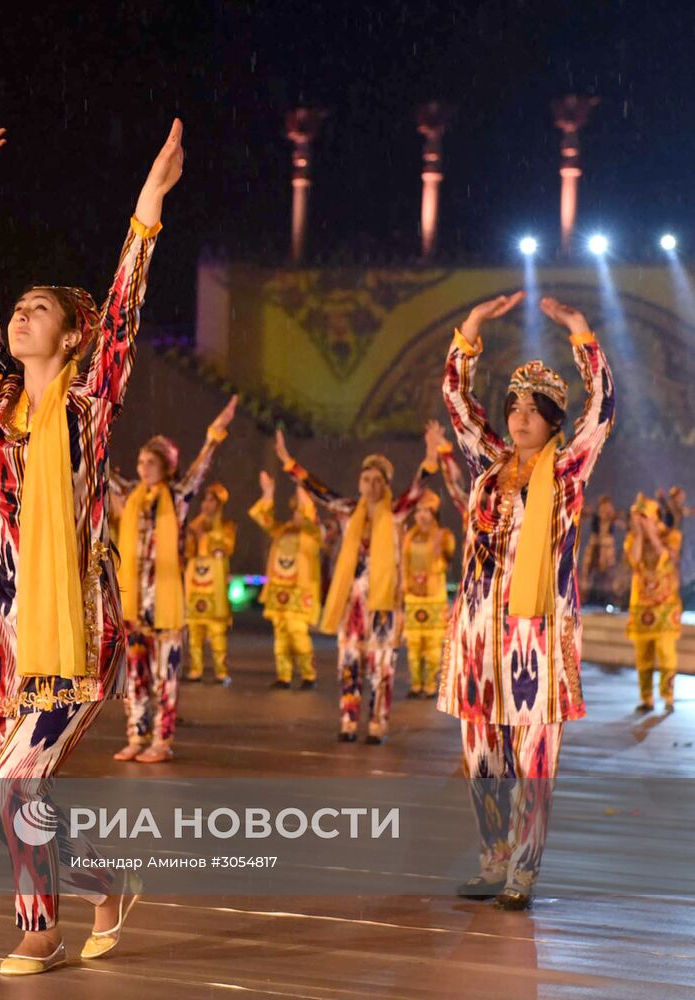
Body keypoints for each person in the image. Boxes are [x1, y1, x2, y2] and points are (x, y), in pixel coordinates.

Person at [0, 116, 182, 974]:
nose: (18, 317)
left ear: (72, 336)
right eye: (19, 308)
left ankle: (38, 928)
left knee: (18, 787)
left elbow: (124, 308)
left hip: (77, 628)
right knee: (1, 802)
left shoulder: (89, 406)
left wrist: (148, 206)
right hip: (2, 633)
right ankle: (104, 884)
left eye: (38, 310)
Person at [440, 292, 614, 910]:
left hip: (536, 634)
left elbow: (603, 409)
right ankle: (493, 860)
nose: (517, 417)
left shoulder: (567, 471)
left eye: (531, 409)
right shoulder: (488, 465)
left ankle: (525, 869)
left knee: (534, 756)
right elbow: (458, 403)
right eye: (512, 406)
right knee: (484, 754)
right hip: (479, 634)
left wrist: (581, 333)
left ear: (551, 419)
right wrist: (473, 325)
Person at [275, 427, 438, 744]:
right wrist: (288, 461)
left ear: (387, 484)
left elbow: (417, 488)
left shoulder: (395, 513)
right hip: (352, 605)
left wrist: (430, 457)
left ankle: (377, 724)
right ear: (360, 483)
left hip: (382, 604)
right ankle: (348, 720)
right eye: (366, 480)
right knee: (349, 663)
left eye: (378, 480)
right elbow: (319, 490)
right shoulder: (349, 510)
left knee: (381, 667)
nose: (372, 486)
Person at [109, 394, 238, 763]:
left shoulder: (178, 497)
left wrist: (216, 433)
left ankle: (161, 741)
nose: (143, 466)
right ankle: (137, 735)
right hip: (134, 602)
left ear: (166, 467)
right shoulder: (132, 497)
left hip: (165, 605)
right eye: (141, 461)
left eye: (151, 462)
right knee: (135, 677)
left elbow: (199, 469)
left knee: (165, 678)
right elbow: (98, 467)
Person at [249, 471, 323, 689]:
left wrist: (305, 495)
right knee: (281, 635)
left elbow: (312, 522)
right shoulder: (282, 531)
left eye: (302, 510)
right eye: (296, 510)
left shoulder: (313, 534)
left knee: (298, 634)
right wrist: (268, 493)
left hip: (299, 593)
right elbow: (263, 519)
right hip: (279, 591)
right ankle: (284, 675)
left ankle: (309, 674)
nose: (298, 515)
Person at [626, 494, 683, 713]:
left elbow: (665, 558)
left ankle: (668, 696)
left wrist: (651, 531)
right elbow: (634, 560)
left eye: (644, 516)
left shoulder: (672, 536)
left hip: (666, 606)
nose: (639, 521)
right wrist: (640, 534)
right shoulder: (632, 539)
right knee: (643, 654)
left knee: (667, 653)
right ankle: (646, 697)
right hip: (641, 606)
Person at [183, 482, 237, 685]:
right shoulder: (195, 524)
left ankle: (221, 671)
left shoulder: (226, 526)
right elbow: (188, 551)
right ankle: (195, 669)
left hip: (215, 585)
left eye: (211, 501)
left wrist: (206, 537)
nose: (206, 505)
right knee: (195, 630)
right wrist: (192, 535)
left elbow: (226, 547)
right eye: (205, 500)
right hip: (196, 582)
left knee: (217, 631)